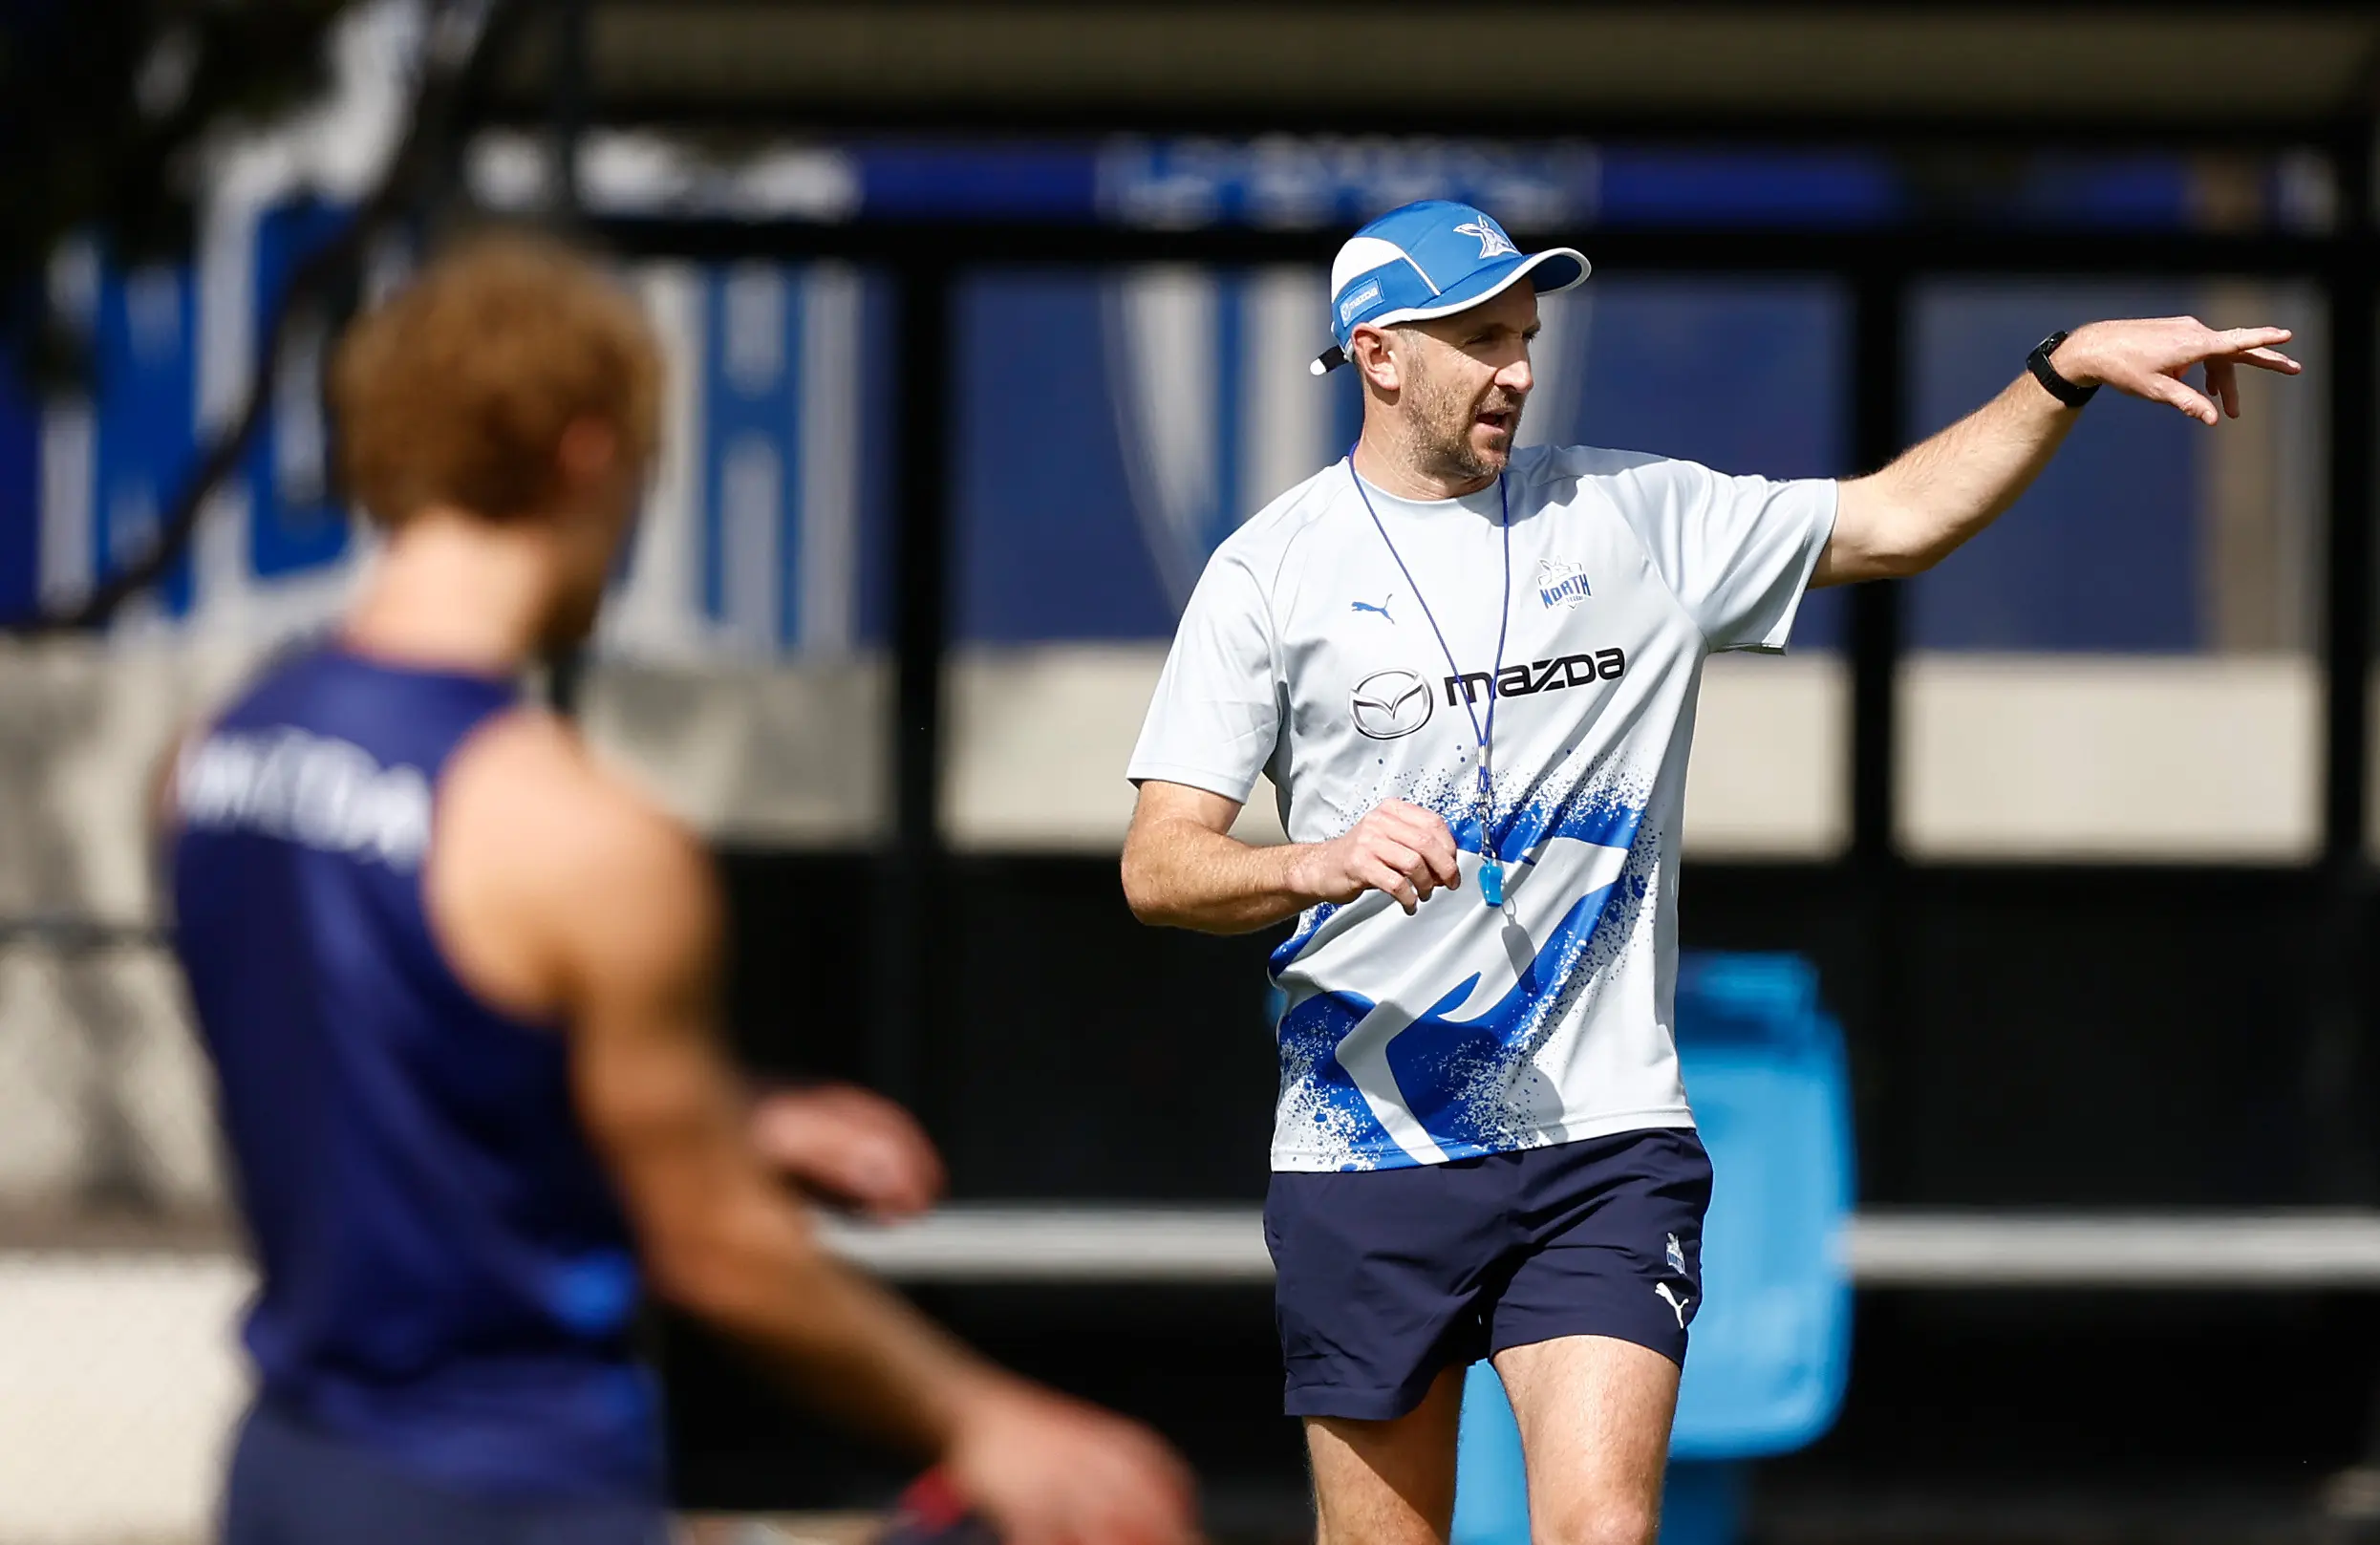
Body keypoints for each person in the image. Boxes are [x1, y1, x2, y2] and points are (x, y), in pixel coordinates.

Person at [1119, 197, 2298, 1545]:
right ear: (1378, 354)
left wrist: (2058, 371)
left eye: (1524, 335)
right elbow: (1160, 869)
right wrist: (1319, 861)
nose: (1515, 366)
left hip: (1603, 1141)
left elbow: (1894, 522)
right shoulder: (1267, 574)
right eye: (1479, 339)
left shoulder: (1635, 515)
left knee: (1603, 1531)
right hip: (1367, 1142)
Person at [161, 232, 1196, 1545]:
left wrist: (728, 1116)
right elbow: (714, 1246)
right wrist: (988, 1421)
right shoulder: (577, 836)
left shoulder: (211, 757)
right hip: (512, 1496)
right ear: (589, 451)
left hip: (293, 1477)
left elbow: (377, 1057)